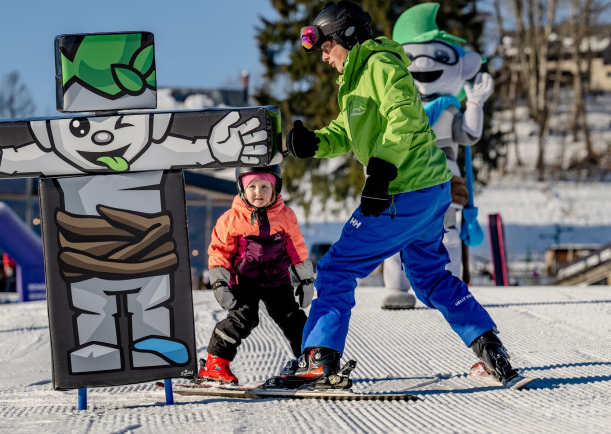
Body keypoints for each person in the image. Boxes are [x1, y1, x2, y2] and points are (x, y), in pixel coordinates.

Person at [280, 0, 520, 386]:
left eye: (327, 46)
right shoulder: (355, 80)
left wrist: (381, 174)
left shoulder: (381, 65)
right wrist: (313, 143)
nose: (324, 57)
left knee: (337, 269)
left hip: (403, 190)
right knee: (430, 278)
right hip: (427, 192)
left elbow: (405, 119)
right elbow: (345, 132)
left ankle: (319, 360)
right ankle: (491, 349)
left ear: (349, 35)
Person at [382, 2, 494, 309]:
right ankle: (397, 287)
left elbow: (469, 135)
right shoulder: (394, 110)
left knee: (447, 236)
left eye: (439, 56)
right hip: (403, 182)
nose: (424, 63)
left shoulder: (448, 108)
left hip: (442, 184)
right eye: (410, 57)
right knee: (397, 234)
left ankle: (447, 289)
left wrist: (474, 105)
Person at [200, 166, 315, 384]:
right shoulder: (231, 219)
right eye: (251, 186)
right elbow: (220, 251)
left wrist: (306, 279)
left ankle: (309, 362)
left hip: (277, 280)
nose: (258, 192)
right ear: (242, 189)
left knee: (292, 318)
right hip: (244, 282)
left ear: (275, 188)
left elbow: (297, 249)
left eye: (264, 186)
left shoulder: (285, 216)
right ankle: (216, 363)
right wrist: (219, 283)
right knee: (243, 318)